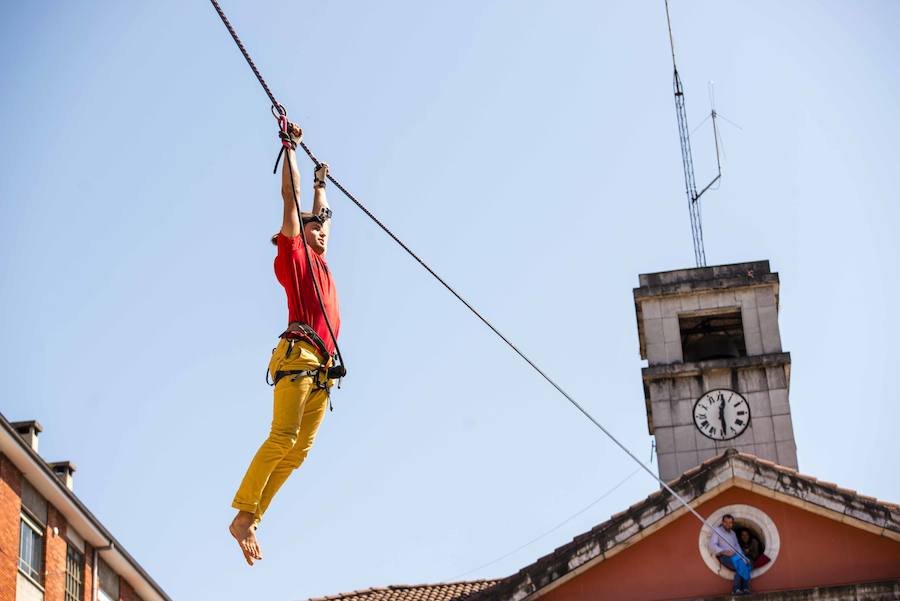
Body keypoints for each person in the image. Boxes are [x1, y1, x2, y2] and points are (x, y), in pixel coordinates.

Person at [228, 122, 341, 566]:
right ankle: (243, 514)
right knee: (283, 437)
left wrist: (321, 184)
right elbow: (291, 203)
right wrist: (290, 148)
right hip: (301, 355)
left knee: (298, 453)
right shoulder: (294, 257)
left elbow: (322, 214)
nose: (321, 233)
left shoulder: (323, 262)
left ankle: (252, 516)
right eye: (313, 230)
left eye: (322, 231)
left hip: (323, 372)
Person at [709, 514, 752, 595]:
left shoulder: (733, 533)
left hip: (736, 556)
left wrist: (743, 557)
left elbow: (737, 546)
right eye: (726, 522)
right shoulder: (717, 531)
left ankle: (745, 588)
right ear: (722, 522)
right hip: (725, 557)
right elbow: (712, 545)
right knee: (740, 565)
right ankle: (736, 589)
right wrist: (723, 551)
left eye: (730, 522)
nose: (728, 524)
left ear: (732, 523)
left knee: (748, 564)